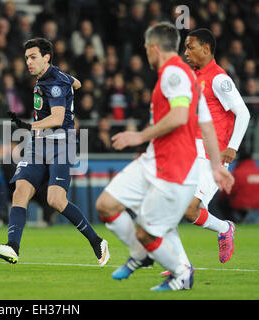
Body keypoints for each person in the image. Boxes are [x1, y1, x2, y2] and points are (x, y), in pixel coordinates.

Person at [95, 22, 234, 291]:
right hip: (153, 158)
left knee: (148, 231)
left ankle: (181, 273)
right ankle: (143, 254)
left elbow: (181, 116)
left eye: (146, 48)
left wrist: (139, 136)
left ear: (154, 47)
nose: (145, 53)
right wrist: (217, 166)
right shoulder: (186, 76)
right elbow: (205, 123)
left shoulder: (174, 74)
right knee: (106, 205)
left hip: (173, 165)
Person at [0, 38, 110, 267]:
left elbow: (58, 118)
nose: (28, 63)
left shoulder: (55, 83)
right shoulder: (51, 76)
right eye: (26, 59)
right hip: (38, 143)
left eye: (33, 57)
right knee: (20, 190)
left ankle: (97, 241)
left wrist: (28, 126)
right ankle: (12, 247)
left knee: (56, 200)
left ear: (46, 57)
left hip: (61, 144)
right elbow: (78, 84)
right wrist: (70, 81)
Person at [180, 28, 250, 264]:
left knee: (189, 210)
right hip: (190, 152)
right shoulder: (194, 77)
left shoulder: (219, 79)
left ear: (206, 49)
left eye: (191, 47)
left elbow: (244, 113)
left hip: (213, 155)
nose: (186, 52)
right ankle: (178, 266)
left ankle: (224, 228)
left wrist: (232, 147)